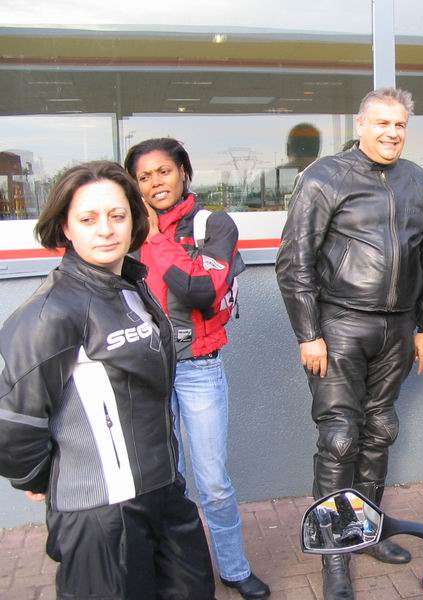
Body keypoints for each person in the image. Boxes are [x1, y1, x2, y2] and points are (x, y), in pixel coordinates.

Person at [0, 161, 215, 599]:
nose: (105, 230)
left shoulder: (133, 288)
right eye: (88, 219)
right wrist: (43, 478)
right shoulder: (49, 313)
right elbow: (13, 424)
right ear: (66, 227)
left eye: (117, 215)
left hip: (164, 492)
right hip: (99, 513)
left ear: (135, 220)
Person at [275, 87, 423, 600]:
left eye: (400, 125)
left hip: (398, 327)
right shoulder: (324, 177)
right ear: (361, 124)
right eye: (381, 123)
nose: (391, 133)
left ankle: (364, 533)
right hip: (340, 324)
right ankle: (334, 553)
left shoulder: (419, 181)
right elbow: (295, 260)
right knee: (340, 439)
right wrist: (309, 332)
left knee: (379, 431)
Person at [124, 139, 269, 600]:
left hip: (197, 368)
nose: (155, 183)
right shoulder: (124, 230)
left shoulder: (212, 224)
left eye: (163, 171)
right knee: (167, 481)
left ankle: (234, 568)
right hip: (145, 372)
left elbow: (201, 290)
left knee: (212, 482)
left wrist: (154, 240)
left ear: (184, 172)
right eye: (144, 177)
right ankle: (180, 573)